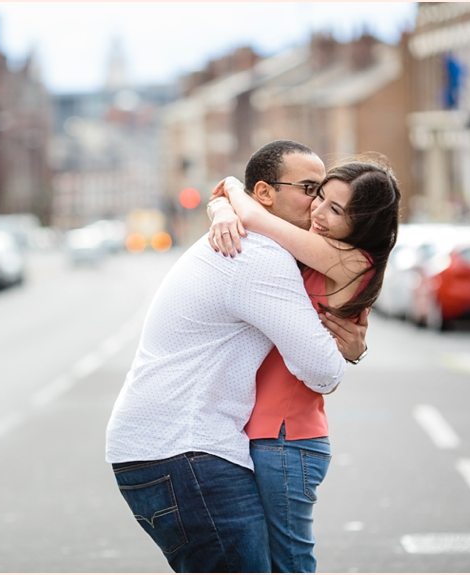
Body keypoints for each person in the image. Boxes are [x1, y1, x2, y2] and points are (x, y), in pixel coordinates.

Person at [105, 140, 368, 573]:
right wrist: (349, 349)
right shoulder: (257, 257)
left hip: (165, 450)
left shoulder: (253, 242)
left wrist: (226, 203)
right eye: (308, 188)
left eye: (323, 192)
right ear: (263, 194)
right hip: (184, 451)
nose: (318, 204)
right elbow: (322, 372)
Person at [206, 157, 401, 572]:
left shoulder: (351, 262)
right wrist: (221, 207)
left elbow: (258, 220)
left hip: (287, 439)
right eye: (319, 197)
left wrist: (228, 190)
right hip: (262, 435)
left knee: (290, 562)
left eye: (336, 209)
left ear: (363, 225)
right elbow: (250, 217)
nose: (318, 212)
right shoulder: (312, 252)